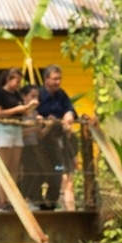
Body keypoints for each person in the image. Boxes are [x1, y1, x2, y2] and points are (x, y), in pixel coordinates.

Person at [0, 68, 37, 212]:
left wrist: (29, 108)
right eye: (16, 81)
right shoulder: (0, 93)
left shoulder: (17, 94)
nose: (18, 84)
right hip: (4, 131)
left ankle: (12, 199)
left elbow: (23, 113)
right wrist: (17, 109)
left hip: (16, 130)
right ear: (8, 79)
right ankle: (2, 202)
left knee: (14, 168)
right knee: (3, 168)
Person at [36, 64, 77, 211]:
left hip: (59, 141)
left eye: (59, 79)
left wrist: (69, 114)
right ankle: (37, 201)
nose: (58, 82)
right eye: (54, 79)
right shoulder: (38, 94)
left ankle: (51, 203)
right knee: (40, 173)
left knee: (59, 173)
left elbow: (70, 109)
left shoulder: (61, 94)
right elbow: (31, 112)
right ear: (46, 79)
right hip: (40, 141)